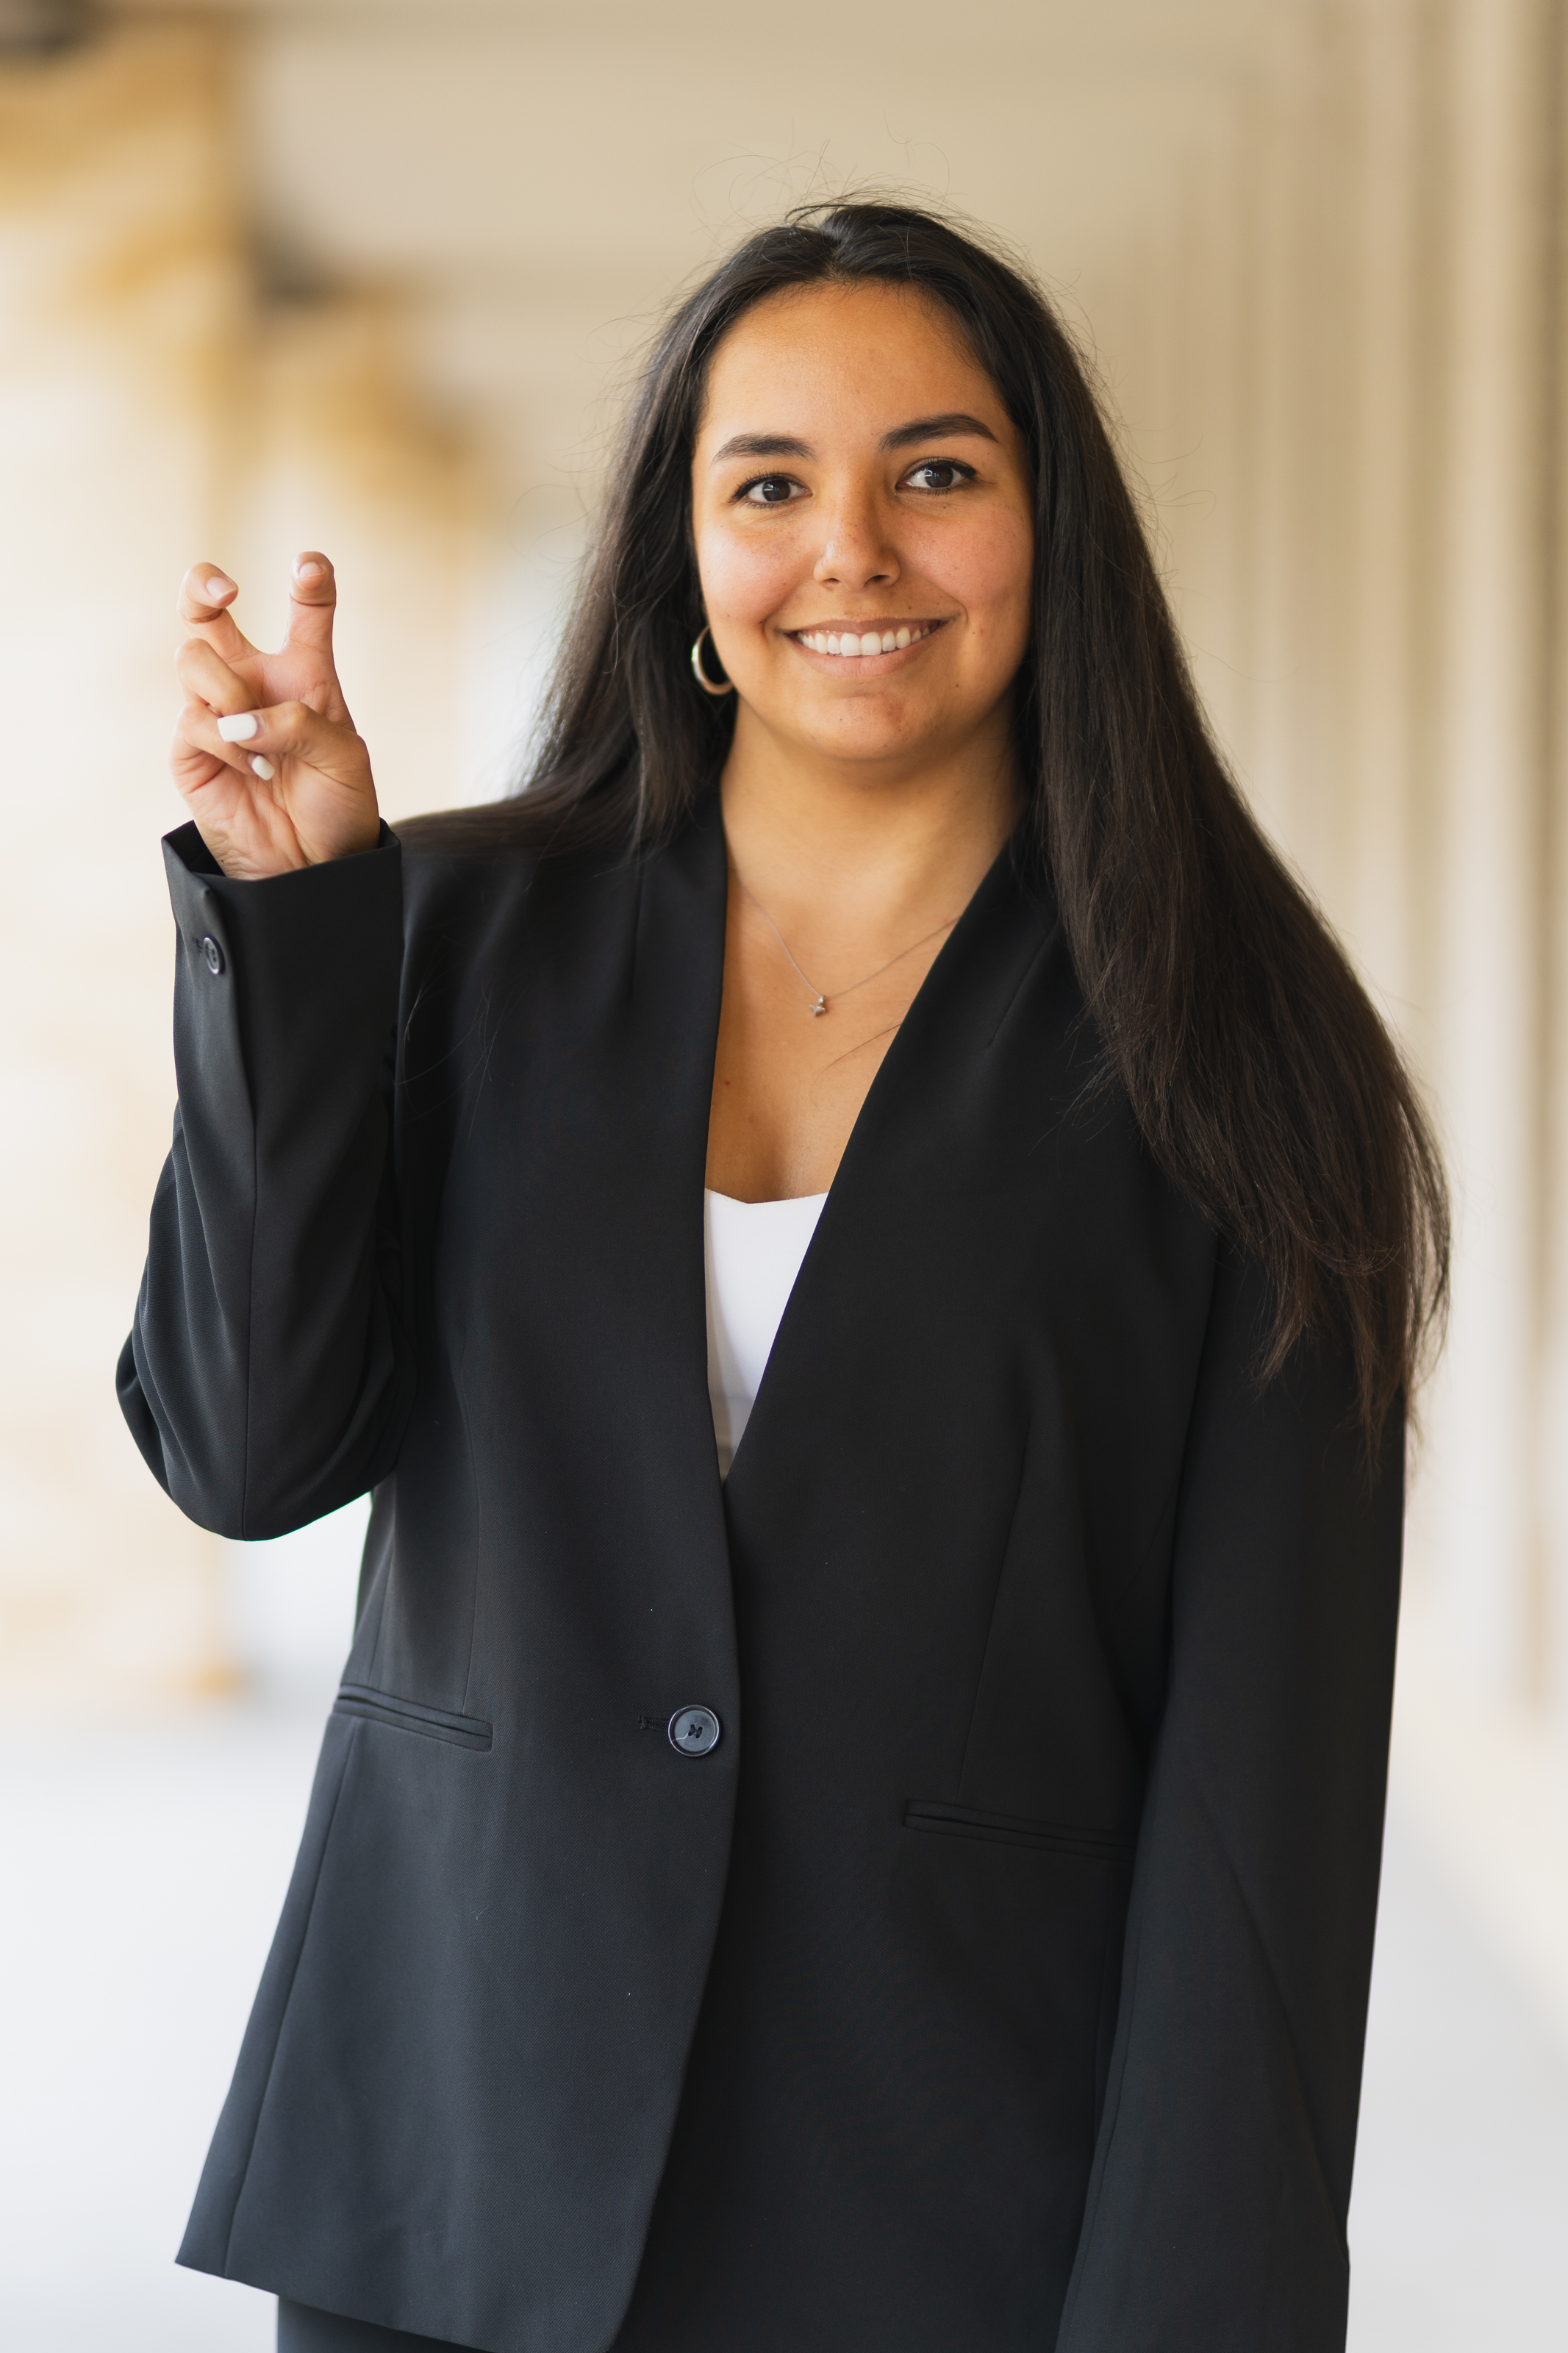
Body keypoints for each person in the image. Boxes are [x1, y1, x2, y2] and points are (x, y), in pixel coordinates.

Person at [119, 201, 1447, 2353]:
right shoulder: (445, 935)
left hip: (956, 2213)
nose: (855, 548)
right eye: (771, 485)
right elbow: (249, 1450)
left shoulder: (1235, 1061)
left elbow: (1263, 1820)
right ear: (689, 571)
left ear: (1050, 536)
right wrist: (290, 940)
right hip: (456, 2177)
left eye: (936, 471)